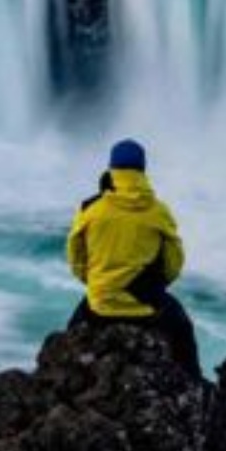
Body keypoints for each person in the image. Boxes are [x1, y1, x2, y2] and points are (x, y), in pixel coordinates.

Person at [66, 138, 201, 379]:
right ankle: (194, 382)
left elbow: (75, 256)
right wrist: (157, 286)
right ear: (143, 169)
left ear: (111, 169)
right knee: (182, 328)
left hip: (100, 306)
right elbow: (174, 261)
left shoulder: (90, 209)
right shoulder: (158, 211)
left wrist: (95, 282)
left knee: (70, 335)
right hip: (146, 309)